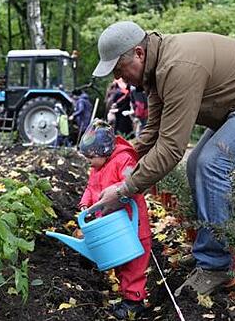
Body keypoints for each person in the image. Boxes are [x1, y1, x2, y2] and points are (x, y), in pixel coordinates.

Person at [89, 21, 235, 296]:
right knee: (195, 164)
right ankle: (208, 246)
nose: (120, 79)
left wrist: (124, 189)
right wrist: (118, 160)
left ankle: (214, 266)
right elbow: (153, 131)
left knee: (212, 165)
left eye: (119, 70)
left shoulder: (177, 68)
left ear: (138, 53)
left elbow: (171, 148)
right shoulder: (155, 70)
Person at [77, 119, 151, 319]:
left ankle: (135, 302)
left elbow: (132, 184)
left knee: (133, 266)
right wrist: (85, 204)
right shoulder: (97, 167)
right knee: (120, 264)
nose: (89, 162)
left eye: (90, 157)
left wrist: (119, 190)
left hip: (132, 226)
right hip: (113, 227)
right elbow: (91, 188)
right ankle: (127, 296)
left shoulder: (124, 160)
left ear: (104, 151)